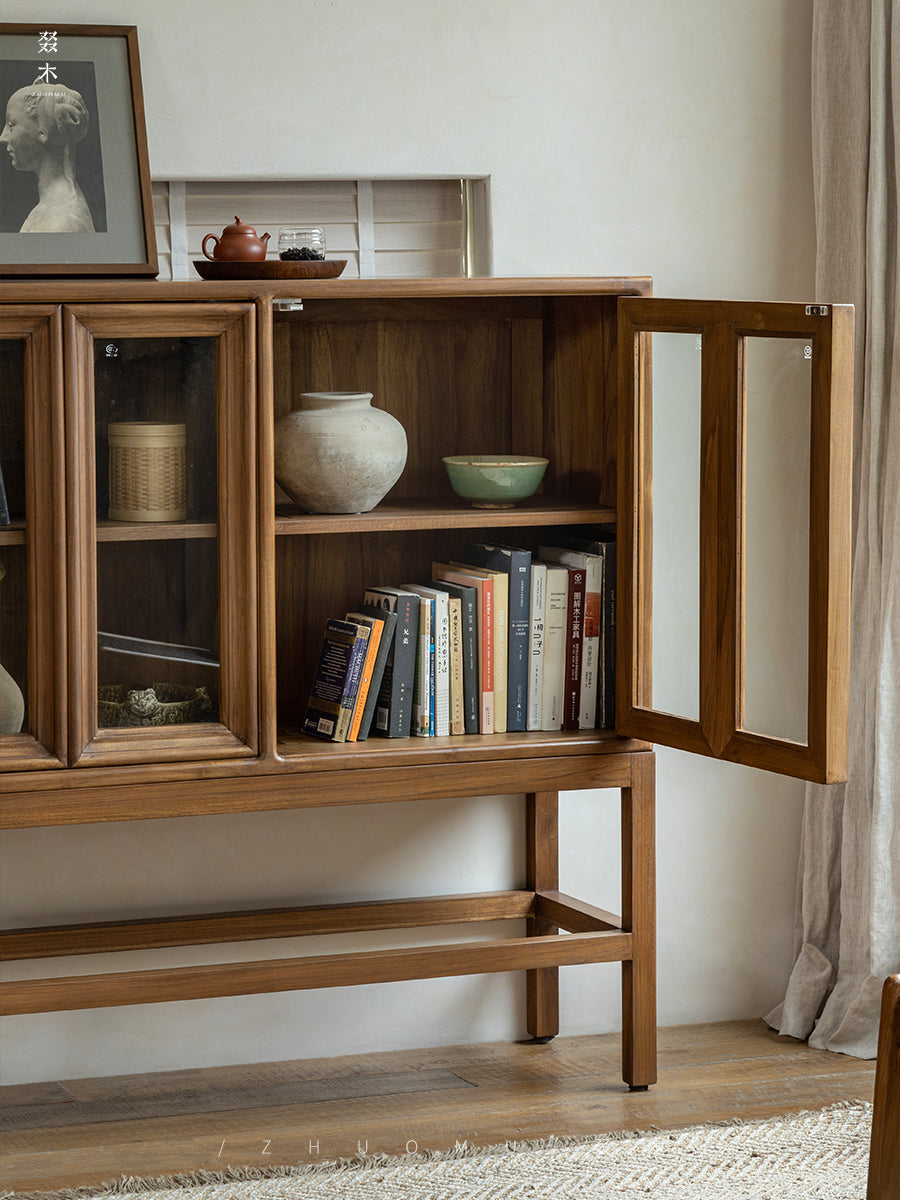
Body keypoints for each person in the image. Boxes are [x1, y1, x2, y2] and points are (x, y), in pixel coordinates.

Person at [0, 78, 95, 233]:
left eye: (11, 125)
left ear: (43, 130)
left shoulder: (63, 222)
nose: (3, 137)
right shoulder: (49, 208)